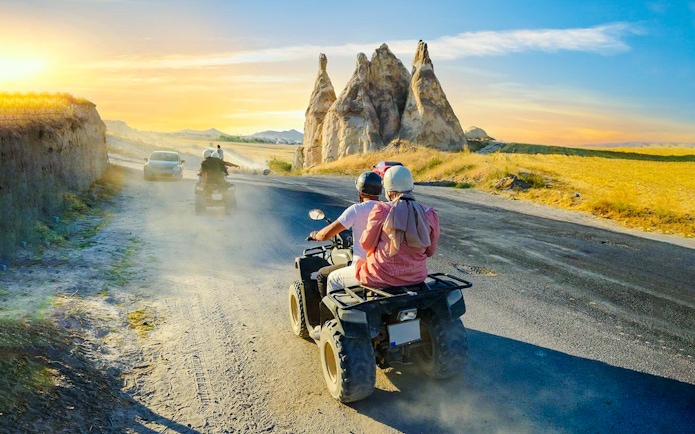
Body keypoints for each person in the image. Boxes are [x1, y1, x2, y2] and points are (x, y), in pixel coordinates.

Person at [355, 165, 440, 289]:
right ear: (411, 186)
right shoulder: (429, 214)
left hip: (379, 277)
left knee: (333, 279)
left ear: (388, 189)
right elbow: (430, 251)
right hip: (415, 278)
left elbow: (366, 245)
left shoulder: (382, 210)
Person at [309, 171, 383, 297]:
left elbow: (325, 235)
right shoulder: (387, 208)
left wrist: (315, 235)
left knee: (323, 275)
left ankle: (328, 315)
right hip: (385, 266)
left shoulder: (356, 210)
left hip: (363, 268)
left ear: (360, 192)